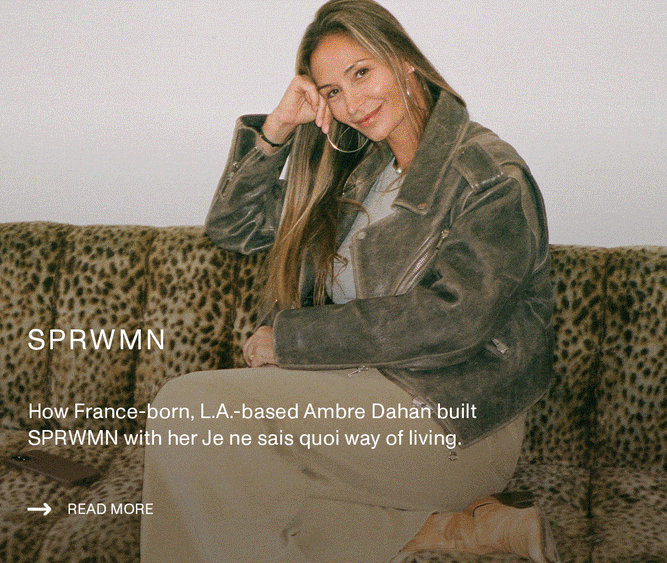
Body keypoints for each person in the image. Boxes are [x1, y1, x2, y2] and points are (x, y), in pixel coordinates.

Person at [140, 1, 558, 562]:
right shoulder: (360, 171)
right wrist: (276, 131)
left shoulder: (487, 176)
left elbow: (453, 318)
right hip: (357, 405)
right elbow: (234, 228)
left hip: (453, 422)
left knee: (190, 410)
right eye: (333, 91)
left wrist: (292, 340)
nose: (352, 103)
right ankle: (458, 531)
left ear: (405, 61)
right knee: (222, 487)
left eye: (362, 73)